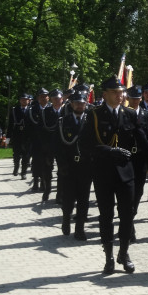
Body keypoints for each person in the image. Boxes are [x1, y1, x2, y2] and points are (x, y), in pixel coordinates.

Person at [80, 75, 148, 275]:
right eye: (115, 92)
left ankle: (124, 252)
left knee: (127, 214)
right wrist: (109, 151)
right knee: (106, 215)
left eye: (121, 92)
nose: (120, 95)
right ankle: (109, 256)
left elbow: (142, 138)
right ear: (105, 95)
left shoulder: (130, 114)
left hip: (126, 172)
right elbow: (85, 144)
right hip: (103, 172)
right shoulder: (94, 115)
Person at [54, 89, 92, 240]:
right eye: (76, 103)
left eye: (82, 103)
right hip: (68, 167)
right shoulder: (63, 121)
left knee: (84, 198)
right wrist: (62, 165)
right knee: (68, 198)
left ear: (85, 104)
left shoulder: (90, 121)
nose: (79, 106)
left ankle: (80, 228)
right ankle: (66, 218)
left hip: (85, 166)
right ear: (71, 104)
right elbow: (57, 146)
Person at [126, 85, 148, 224]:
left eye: (138, 98)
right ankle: (127, 217)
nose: (135, 101)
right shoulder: (123, 113)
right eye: (133, 98)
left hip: (141, 157)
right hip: (126, 157)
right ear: (128, 99)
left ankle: (132, 213)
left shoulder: (147, 115)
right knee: (126, 189)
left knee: (139, 189)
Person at [40, 88, 64, 202]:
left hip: (63, 145)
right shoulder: (46, 111)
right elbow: (43, 128)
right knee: (47, 169)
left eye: (59, 98)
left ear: (62, 99)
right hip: (49, 144)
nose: (57, 101)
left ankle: (59, 194)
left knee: (62, 170)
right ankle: (47, 189)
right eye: (54, 99)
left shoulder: (66, 111)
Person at [27, 88, 49, 192]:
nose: (44, 98)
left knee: (46, 163)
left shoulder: (51, 108)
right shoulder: (32, 110)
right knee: (36, 163)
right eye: (41, 96)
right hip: (36, 141)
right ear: (38, 98)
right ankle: (36, 182)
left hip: (48, 142)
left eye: (45, 96)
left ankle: (44, 183)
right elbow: (29, 126)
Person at [7, 93, 31, 178]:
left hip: (27, 136)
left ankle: (23, 172)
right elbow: (10, 124)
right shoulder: (15, 110)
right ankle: (16, 166)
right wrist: (8, 137)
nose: (24, 101)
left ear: (28, 101)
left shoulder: (31, 110)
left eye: (26, 99)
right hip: (17, 135)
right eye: (22, 99)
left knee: (26, 155)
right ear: (20, 100)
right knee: (16, 154)